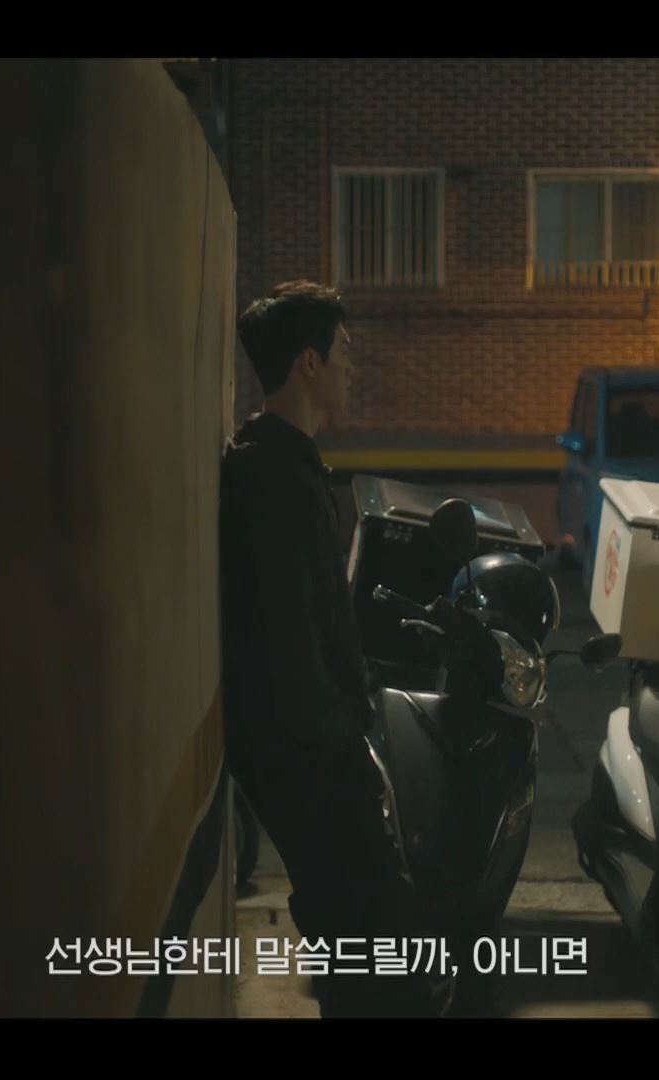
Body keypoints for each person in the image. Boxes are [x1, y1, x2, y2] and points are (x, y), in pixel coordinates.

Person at [218, 280, 438, 1017]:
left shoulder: (282, 465)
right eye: (343, 351)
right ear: (307, 362)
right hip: (309, 757)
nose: (352, 366)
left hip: (312, 750)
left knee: (363, 938)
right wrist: (345, 740)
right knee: (372, 941)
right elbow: (289, 638)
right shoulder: (271, 478)